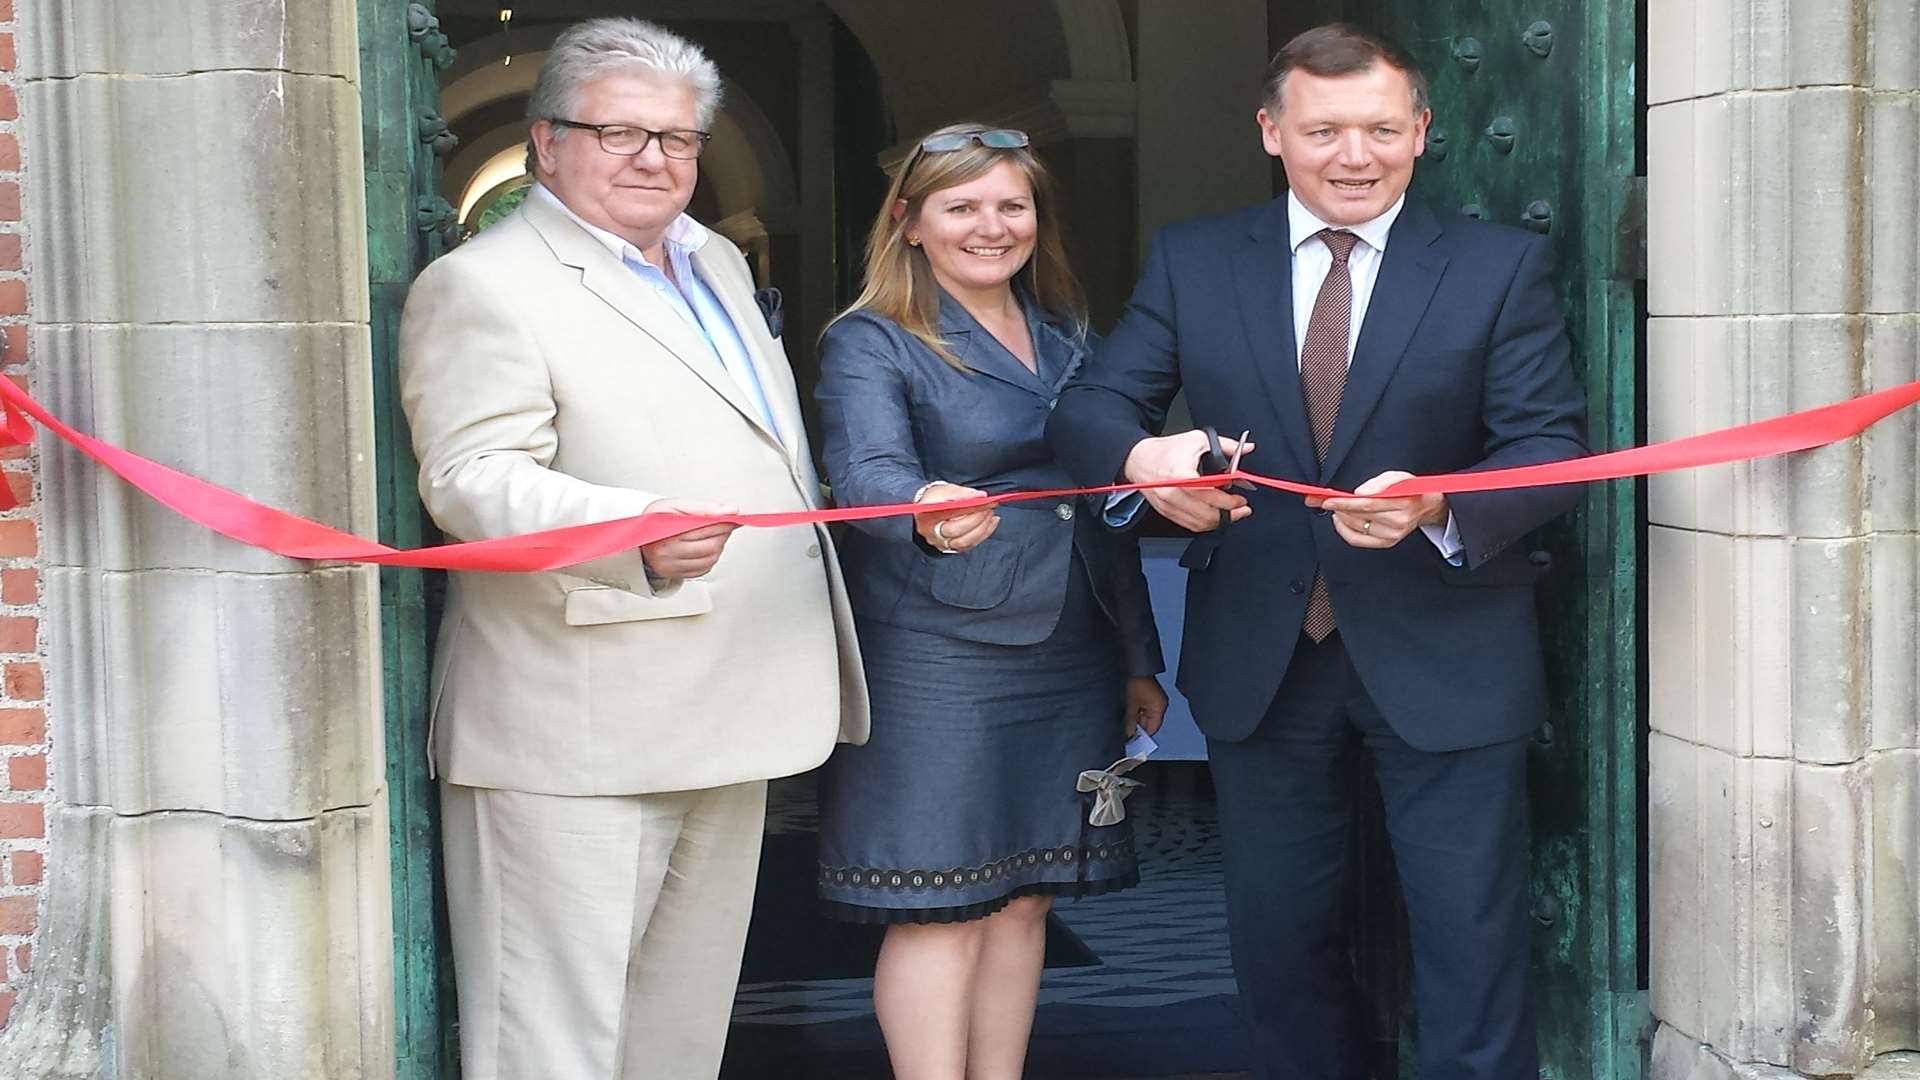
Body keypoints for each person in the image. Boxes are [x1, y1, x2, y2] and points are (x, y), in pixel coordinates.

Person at [1045, 24, 1588, 1080]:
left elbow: (1552, 449)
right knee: (1280, 950)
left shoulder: (1496, 267)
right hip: (1264, 657)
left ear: (1422, 131)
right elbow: (1095, 405)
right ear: (1271, 132)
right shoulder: (1195, 260)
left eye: (1383, 128)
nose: (1356, 154)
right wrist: (1148, 454)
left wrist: (1441, 505)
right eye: (1326, 129)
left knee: (1468, 947)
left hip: (1447, 656)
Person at [397, 18, 868, 1080]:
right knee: (552, 1044)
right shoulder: (485, 283)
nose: (656, 159)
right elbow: (469, 476)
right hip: (579, 723)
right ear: (547, 141)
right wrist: (631, 532)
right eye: (620, 133)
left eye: (679, 138)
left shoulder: (716, 265)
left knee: (676, 1036)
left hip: (732, 704)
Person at [813, 122, 1168, 1080]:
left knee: (1024, 898)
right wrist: (922, 511)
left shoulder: (1068, 338)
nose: (991, 224)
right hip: (938, 653)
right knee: (939, 901)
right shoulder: (869, 339)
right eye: (962, 205)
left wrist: (1139, 656)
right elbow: (867, 473)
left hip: (1073, 648)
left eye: (1011, 204)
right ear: (911, 222)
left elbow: (1105, 509)